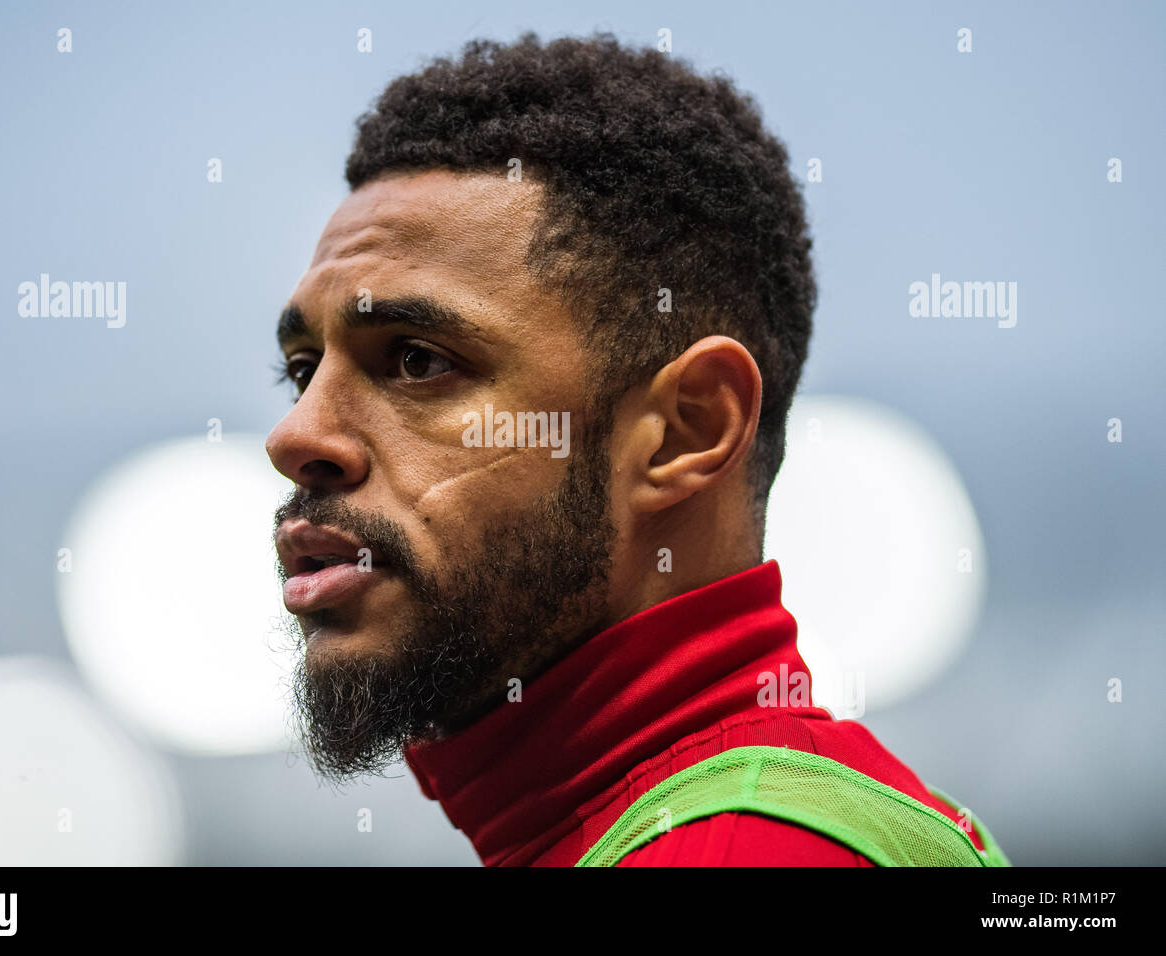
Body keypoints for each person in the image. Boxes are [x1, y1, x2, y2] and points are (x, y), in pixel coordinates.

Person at [266, 32, 1007, 866]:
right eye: (301, 372)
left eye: (417, 361)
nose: (296, 438)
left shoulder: (743, 853)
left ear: (687, 430)